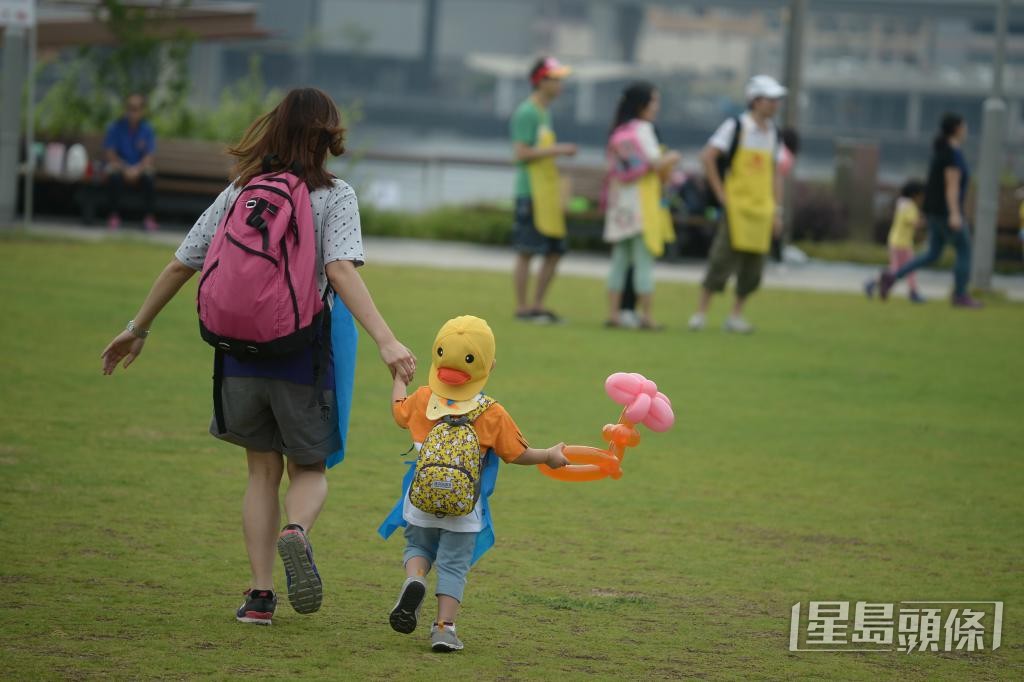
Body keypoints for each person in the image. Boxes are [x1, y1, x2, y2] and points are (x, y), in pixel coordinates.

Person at [100, 88, 417, 626]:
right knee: (309, 467)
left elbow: (182, 263)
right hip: (300, 353)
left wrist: (137, 328)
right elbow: (340, 270)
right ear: (326, 136)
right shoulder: (334, 195)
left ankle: (260, 597)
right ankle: (297, 530)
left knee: (260, 472)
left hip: (238, 354)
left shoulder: (240, 190)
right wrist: (387, 340)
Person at [379, 315, 569, 652]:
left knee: (418, 547)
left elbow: (398, 411)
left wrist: (398, 379)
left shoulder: (422, 398)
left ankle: (415, 579)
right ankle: (444, 628)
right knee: (454, 564)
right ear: (489, 365)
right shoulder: (491, 412)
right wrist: (549, 456)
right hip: (465, 507)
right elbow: (517, 454)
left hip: (420, 500)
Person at [689, 75, 787, 334]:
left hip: (762, 209)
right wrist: (721, 194)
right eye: (770, 99)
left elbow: (776, 174)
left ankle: (735, 315)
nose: (775, 104)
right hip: (737, 208)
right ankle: (701, 313)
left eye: (776, 99)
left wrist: (777, 210)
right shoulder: (736, 126)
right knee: (721, 260)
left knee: (753, 268)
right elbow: (708, 156)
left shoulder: (774, 134)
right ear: (755, 101)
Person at [877, 113, 982, 308]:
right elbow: (952, 187)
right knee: (965, 250)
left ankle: (892, 276)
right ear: (957, 129)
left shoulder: (941, 151)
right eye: (964, 126)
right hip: (946, 212)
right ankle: (960, 295)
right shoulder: (952, 154)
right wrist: (955, 214)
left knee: (933, 253)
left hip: (933, 211)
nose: (966, 130)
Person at [603, 82, 681, 330]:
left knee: (619, 261)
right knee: (643, 262)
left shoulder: (619, 130)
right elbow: (656, 163)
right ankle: (646, 315)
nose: (656, 107)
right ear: (642, 105)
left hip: (620, 205)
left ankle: (614, 314)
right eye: (654, 101)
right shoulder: (644, 129)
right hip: (642, 205)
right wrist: (673, 157)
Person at [509, 56, 577, 324]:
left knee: (555, 250)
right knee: (526, 250)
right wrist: (559, 150)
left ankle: (537, 305)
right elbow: (521, 152)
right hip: (529, 192)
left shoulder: (544, 112)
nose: (560, 84)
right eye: (555, 79)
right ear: (540, 81)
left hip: (546, 193)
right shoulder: (527, 112)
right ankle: (522, 307)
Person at [103, 93, 158, 232]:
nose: (132, 112)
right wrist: (126, 169)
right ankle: (113, 216)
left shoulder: (147, 129)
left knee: (150, 176)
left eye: (136, 109)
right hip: (120, 167)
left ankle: (148, 217)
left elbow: (149, 156)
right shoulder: (115, 127)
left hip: (139, 169)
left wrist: (137, 169)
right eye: (130, 108)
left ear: (142, 111)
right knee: (113, 174)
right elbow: (110, 154)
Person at [865, 180, 927, 303]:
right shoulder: (910, 206)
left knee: (897, 268)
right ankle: (913, 292)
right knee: (908, 268)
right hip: (902, 243)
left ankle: (873, 283)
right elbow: (912, 222)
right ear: (915, 194)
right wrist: (924, 222)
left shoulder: (901, 204)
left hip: (895, 241)